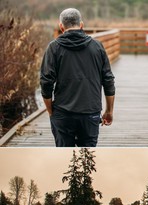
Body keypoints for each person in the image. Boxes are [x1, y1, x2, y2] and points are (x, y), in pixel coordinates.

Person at [40, 8, 115, 147]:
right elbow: (108, 80)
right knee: (88, 158)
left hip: (62, 113)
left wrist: (51, 112)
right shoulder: (97, 46)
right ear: (81, 25)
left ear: (61, 26)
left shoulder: (53, 48)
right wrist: (109, 111)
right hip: (90, 113)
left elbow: (46, 83)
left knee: (64, 158)